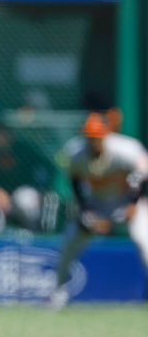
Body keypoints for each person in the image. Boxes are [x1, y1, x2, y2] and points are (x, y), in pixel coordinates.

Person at [48, 113, 148, 308]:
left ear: (106, 135)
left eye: (98, 137)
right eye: (90, 137)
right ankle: (57, 294)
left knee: (144, 241)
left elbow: (142, 175)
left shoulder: (125, 148)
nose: (94, 141)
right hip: (97, 204)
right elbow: (75, 181)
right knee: (69, 243)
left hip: (126, 201)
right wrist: (87, 213)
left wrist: (132, 204)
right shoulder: (75, 152)